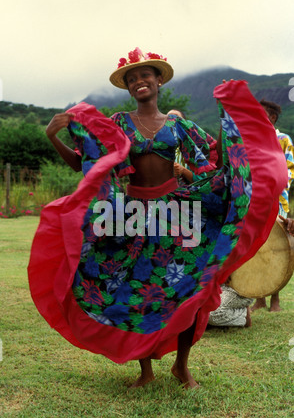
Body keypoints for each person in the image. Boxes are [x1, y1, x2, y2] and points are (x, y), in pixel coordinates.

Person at [28, 47, 287, 389]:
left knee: (190, 289)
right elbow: (83, 162)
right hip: (132, 215)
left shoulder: (178, 124)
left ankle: (182, 366)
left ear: (158, 79)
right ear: (128, 88)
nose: (139, 82)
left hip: (177, 212)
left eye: (145, 76)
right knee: (139, 291)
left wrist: (229, 111)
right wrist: (52, 136)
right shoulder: (119, 122)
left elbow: (213, 158)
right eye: (132, 79)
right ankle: (145, 371)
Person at [250, 99, 294, 312]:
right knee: (258, 248)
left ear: (272, 118)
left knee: (277, 247)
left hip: (277, 200)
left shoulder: (283, 139)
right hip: (255, 202)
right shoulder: (250, 140)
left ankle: (275, 298)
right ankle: (260, 298)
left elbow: (289, 171)